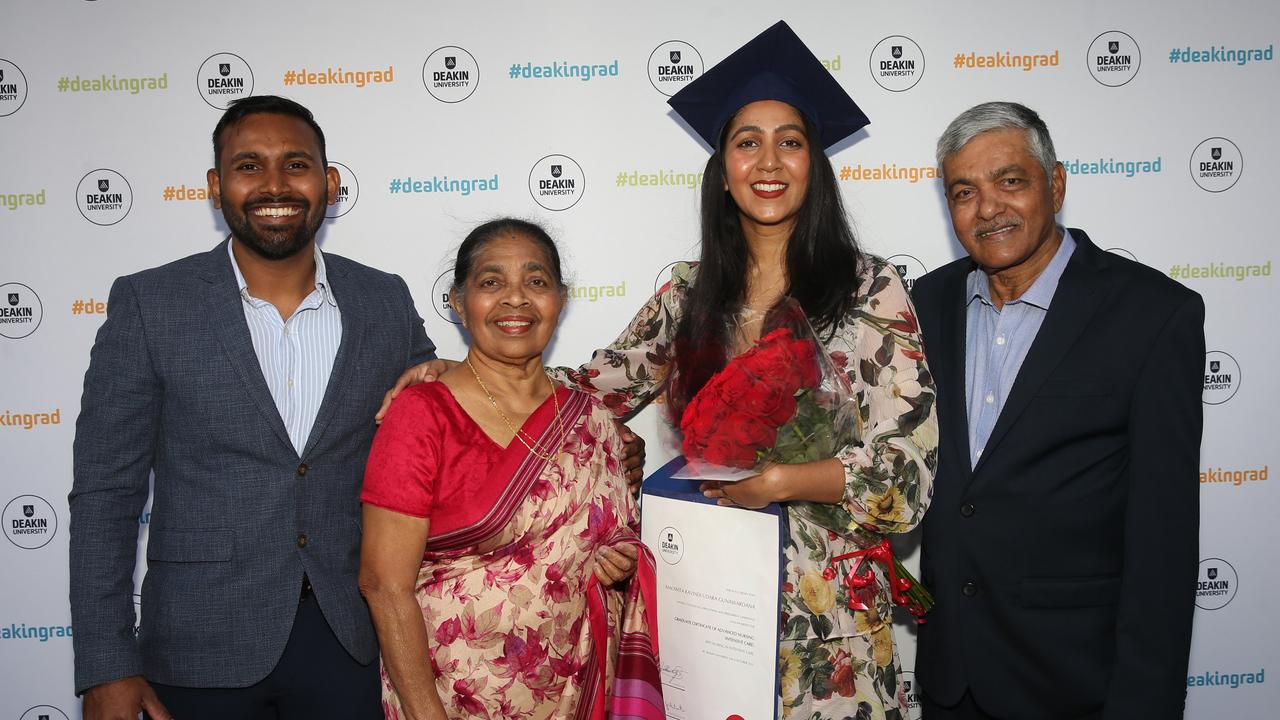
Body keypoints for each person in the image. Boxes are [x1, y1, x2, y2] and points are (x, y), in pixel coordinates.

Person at [561, 22, 938, 718]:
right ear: (724, 170)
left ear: (813, 164)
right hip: (706, 611)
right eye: (747, 142)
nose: (769, 160)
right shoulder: (686, 295)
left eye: (790, 141)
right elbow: (583, 398)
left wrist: (781, 482)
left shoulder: (869, 291)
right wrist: (460, 382)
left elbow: (907, 475)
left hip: (830, 629)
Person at [69, 95, 443, 720]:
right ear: (216, 188)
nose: (275, 184)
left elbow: (438, 428)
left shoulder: (383, 300)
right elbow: (106, 494)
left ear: (330, 183)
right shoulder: (150, 304)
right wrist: (107, 665)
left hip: (351, 642)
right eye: (249, 166)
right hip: (196, 648)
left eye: (296, 165)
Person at [911, 101, 1204, 719]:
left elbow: (1164, 543)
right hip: (949, 681)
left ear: (1058, 183)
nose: (988, 207)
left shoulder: (1153, 315)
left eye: (1010, 181)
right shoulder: (922, 305)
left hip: (1075, 685)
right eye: (964, 191)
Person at [358, 218, 663, 720]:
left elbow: (615, 538)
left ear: (559, 300)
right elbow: (383, 586)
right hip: (445, 695)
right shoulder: (422, 414)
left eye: (536, 281)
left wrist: (620, 563)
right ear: (458, 302)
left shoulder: (592, 421)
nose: (516, 299)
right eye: (491, 282)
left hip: (576, 689)